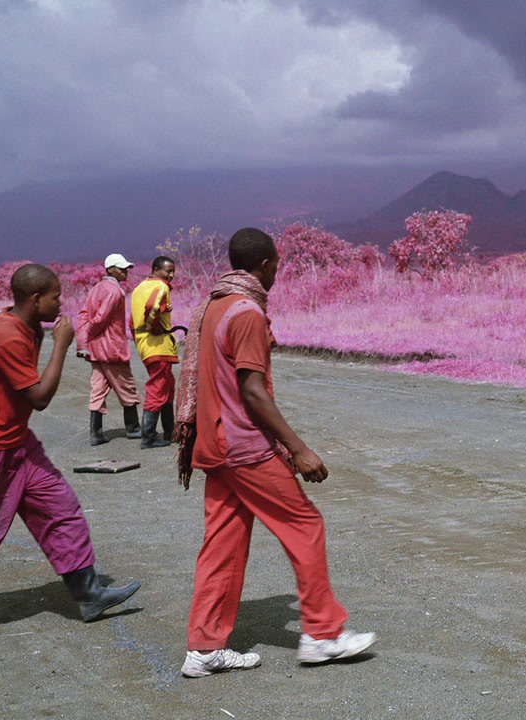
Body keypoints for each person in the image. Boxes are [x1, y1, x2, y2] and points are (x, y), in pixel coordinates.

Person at [173, 228, 374, 677]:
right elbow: (253, 391)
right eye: (278, 266)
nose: (278, 272)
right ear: (266, 266)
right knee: (304, 525)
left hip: (216, 444)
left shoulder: (213, 305)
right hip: (245, 447)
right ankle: (323, 635)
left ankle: (204, 648)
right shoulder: (246, 313)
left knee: (222, 544)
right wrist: (298, 449)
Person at [0, 264, 141, 641]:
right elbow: (39, 397)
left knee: (60, 507)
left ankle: (88, 594)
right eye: (56, 296)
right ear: (36, 299)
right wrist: (61, 344)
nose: (61, 302)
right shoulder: (8, 336)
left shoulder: (25, 327)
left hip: (17, 444)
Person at [76, 253, 142, 445]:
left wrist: (86, 339)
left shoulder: (96, 288)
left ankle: (96, 433)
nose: (125, 272)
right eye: (121, 269)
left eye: (125, 268)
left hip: (96, 350)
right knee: (127, 388)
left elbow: (87, 314)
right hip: (112, 348)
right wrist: (90, 332)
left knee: (98, 389)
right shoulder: (115, 291)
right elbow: (100, 319)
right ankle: (134, 428)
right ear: (110, 269)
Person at [131, 256, 178, 449]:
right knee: (158, 387)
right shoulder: (161, 287)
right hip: (157, 343)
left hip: (144, 343)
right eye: (168, 271)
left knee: (167, 385)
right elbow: (152, 308)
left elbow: (133, 319)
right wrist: (155, 325)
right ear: (156, 269)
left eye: (173, 271)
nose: (171, 275)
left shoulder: (139, 288)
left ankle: (169, 432)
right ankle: (148, 437)